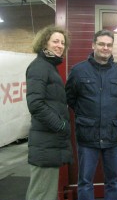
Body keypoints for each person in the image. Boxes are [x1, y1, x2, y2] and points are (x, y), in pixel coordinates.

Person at [65, 29, 117, 200]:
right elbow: (71, 98)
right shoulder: (78, 71)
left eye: (109, 45)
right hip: (87, 135)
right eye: (101, 44)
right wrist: (87, 115)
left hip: (112, 135)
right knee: (85, 181)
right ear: (93, 45)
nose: (105, 48)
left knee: (113, 181)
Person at [25, 25, 73, 200]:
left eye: (62, 42)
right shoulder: (40, 67)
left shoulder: (49, 67)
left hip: (49, 142)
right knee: (41, 194)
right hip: (46, 143)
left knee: (46, 192)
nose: (60, 45)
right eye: (55, 41)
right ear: (44, 43)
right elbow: (35, 104)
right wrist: (59, 125)